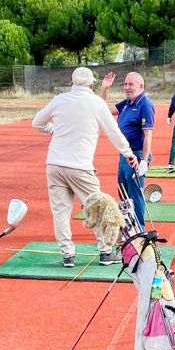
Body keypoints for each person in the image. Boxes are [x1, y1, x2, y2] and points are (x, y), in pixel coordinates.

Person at [32, 66, 137, 268]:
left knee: (60, 212)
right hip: (80, 166)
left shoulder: (59, 100)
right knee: (96, 208)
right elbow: (113, 131)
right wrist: (128, 153)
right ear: (92, 84)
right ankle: (106, 251)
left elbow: (37, 122)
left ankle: (68, 255)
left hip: (54, 164)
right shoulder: (96, 103)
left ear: (72, 83)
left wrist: (51, 129)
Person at [99, 71, 155, 229]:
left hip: (136, 155)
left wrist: (144, 161)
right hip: (124, 155)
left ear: (141, 86)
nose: (127, 87)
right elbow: (103, 110)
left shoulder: (145, 104)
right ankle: (129, 224)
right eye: (125, 84)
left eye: (131, 84)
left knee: (135, 194)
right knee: (123, 192)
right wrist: (105, 87)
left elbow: (148, 135)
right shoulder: (127, 103)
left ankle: (139, 229)